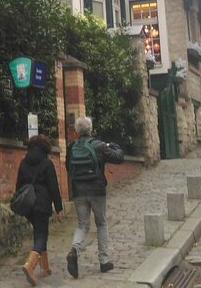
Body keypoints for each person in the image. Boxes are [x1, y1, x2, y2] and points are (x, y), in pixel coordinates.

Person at [65, 116, 124, 279]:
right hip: (97, 190)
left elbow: (68, 167)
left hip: (78, 191)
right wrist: (112, 145)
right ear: (90, 129)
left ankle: (74, 250)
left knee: (82, 225)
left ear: (77, 130)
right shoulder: (99, 145)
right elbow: (119, 158)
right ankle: (104, 261)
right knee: (101, 223)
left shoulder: (71, 147)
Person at [16, 134, 64, 285]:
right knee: (42, 235)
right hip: (42, 204)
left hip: (27, 205)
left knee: (39, 232)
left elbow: (18, 185)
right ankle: (30, 265)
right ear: (46, 148)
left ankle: (45, 268)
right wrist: (59, 207)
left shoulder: (23, 162)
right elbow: (53, 187)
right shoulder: (47, 163)